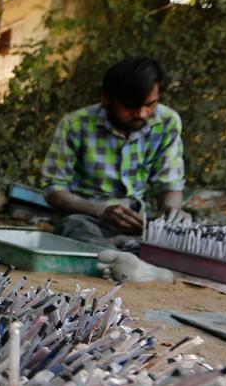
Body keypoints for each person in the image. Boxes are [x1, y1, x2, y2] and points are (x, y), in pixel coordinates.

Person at [40, 56, 185, 247]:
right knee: (75, 230)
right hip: (88, 220)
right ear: (107, 98)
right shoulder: (76, 124)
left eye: (150, 105)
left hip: (138, 221)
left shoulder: (167, 122)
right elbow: (53, 189)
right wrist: (102, 210)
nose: (141, 114)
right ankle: (123, 249)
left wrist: (171, 213)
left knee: (189, 240)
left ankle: (127, 246)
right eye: (130, 106)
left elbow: (170, 183)